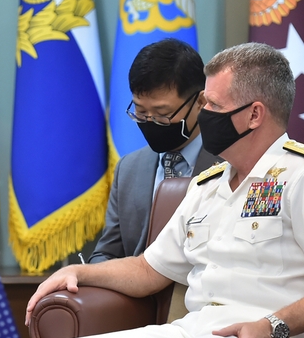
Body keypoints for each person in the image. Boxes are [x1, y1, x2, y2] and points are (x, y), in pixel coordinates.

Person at [27, 43, 304, 338]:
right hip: (193, 331)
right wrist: (79, 272)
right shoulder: (208, 185)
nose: (202, 113)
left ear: (254, 115)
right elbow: (149, 271)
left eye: (213, 106)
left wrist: (272, 327)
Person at [91, 39, 219, 262]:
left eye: (162, 113)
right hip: (134, 292)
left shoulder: (231, 163)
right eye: (140, 112)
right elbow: (107, 252)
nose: (150, 122)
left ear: (200, 101)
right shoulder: (128, 169)